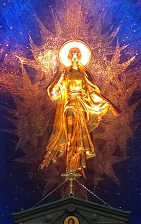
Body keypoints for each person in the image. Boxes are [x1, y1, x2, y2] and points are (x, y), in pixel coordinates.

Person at [40, 43, 117, 176]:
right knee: (69, 129)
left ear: (80, 57)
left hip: (82, 104)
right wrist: (61, 77)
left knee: (80, 131)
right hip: (69, 103)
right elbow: (53, 93)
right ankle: (69, 158)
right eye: (72, 55)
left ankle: (76, 162)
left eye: (77, 55)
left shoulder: (84, 73)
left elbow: (92, 91)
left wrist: (106, 103)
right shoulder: (64, 73)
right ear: (69, 57)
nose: (74, 58)